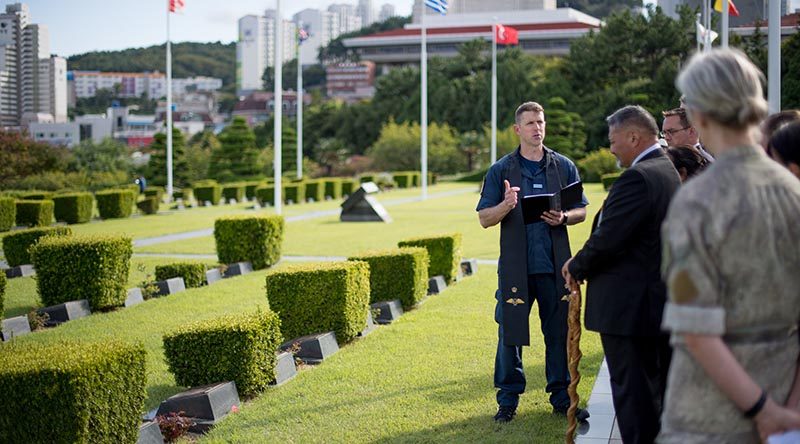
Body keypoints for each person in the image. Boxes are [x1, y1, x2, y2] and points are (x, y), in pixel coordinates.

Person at [659, 48, 800, 443]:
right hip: (784, 405)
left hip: (708, 417)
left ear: (700, 116)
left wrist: (762, 410)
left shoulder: (698, 200)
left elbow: (695, 329)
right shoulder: (794, 192)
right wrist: (787, 412)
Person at [562, 105, 680, 443]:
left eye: (614, 141)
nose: (611, 148)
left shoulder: (638, 178)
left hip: (631, 311)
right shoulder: (665, 168)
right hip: (650, 306)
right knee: (651, 398)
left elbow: (609, 238)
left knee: (635, 402)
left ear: (633, 137)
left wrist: (576, 265)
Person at [477, 101, 589, 423]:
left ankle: (560, 398)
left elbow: (581, 209)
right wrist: (505, 205)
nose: (536, 128)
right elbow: (485, 218)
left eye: (540, 122)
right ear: (517, 129)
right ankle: (508, 401)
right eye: (530, 123)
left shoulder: (563, 166)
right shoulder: (501, 170)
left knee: (558, 334)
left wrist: (564, 217)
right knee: (510, 335)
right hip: (517, 269)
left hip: (555, 268)